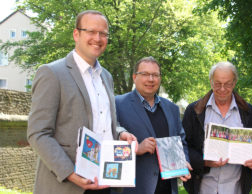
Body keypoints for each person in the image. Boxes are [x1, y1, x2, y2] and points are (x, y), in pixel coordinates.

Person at [27, 10, 136, 194]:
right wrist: (69, 172)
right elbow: (38, 133)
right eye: (91, 32)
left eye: (103, 33)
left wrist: (121, 134)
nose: (98, 38)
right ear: (76, 34)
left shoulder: (106, 77)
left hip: (105, 182)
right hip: (67, 184)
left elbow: (106, 123)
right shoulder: (52, 73)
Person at [182, 61, 252, 194]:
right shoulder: (194, 110)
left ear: (234, 83)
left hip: (236, 188)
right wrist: (205, 162)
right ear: (211, 82)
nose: (222, 89)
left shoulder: (248, 111)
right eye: (217, 84)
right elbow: (184, 147)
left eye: (227, 84)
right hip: (203, 188)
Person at [112, 57, 192, 194]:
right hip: (133, 189)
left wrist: (184, 162)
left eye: (155, 75)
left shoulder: (172, 108)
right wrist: (136, 149)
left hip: (168, 188)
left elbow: (181, 141)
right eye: (145, 74)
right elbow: (109, 140)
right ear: (134, 77)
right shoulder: (117, 104)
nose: (151, 79)